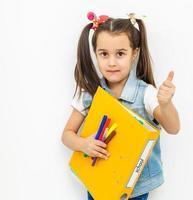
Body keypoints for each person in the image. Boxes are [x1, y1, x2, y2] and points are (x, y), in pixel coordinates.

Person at [61, 12, 180, 200]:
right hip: (99, 181)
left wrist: (166, 104)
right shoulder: (90, 93)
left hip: (135, 188)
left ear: (134, 53)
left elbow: (173, 128)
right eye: (104, 54)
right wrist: (84, 144)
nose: (111, 62)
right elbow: (67, 135)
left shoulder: (146, 93)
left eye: (120, 54)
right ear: (96, 54)